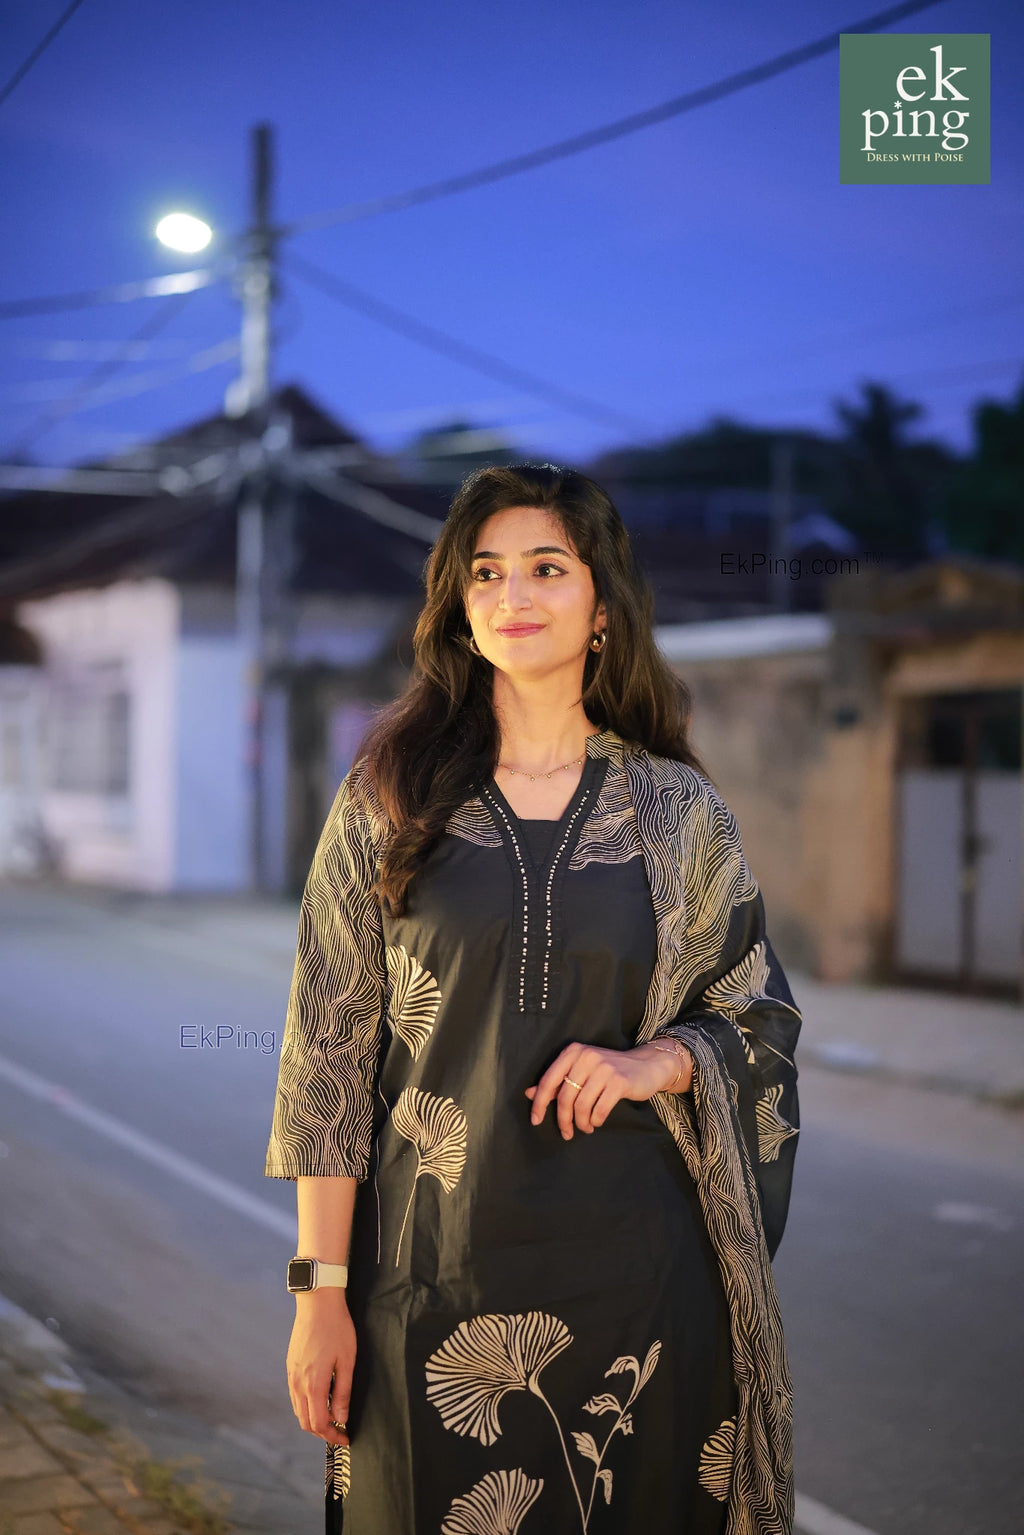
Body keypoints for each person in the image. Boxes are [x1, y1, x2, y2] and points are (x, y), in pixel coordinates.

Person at [264, 464, 801, 1535]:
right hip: (429, 1279)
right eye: (485, 572)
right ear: (459, 610)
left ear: (601, 605)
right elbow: (326, 1055)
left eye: (546, 568)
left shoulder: (677, 810)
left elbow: (756, 1013)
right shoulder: (391, 794)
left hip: (642, 1282)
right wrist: (319, 1292)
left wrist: (657, 1060)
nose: (513, 593)